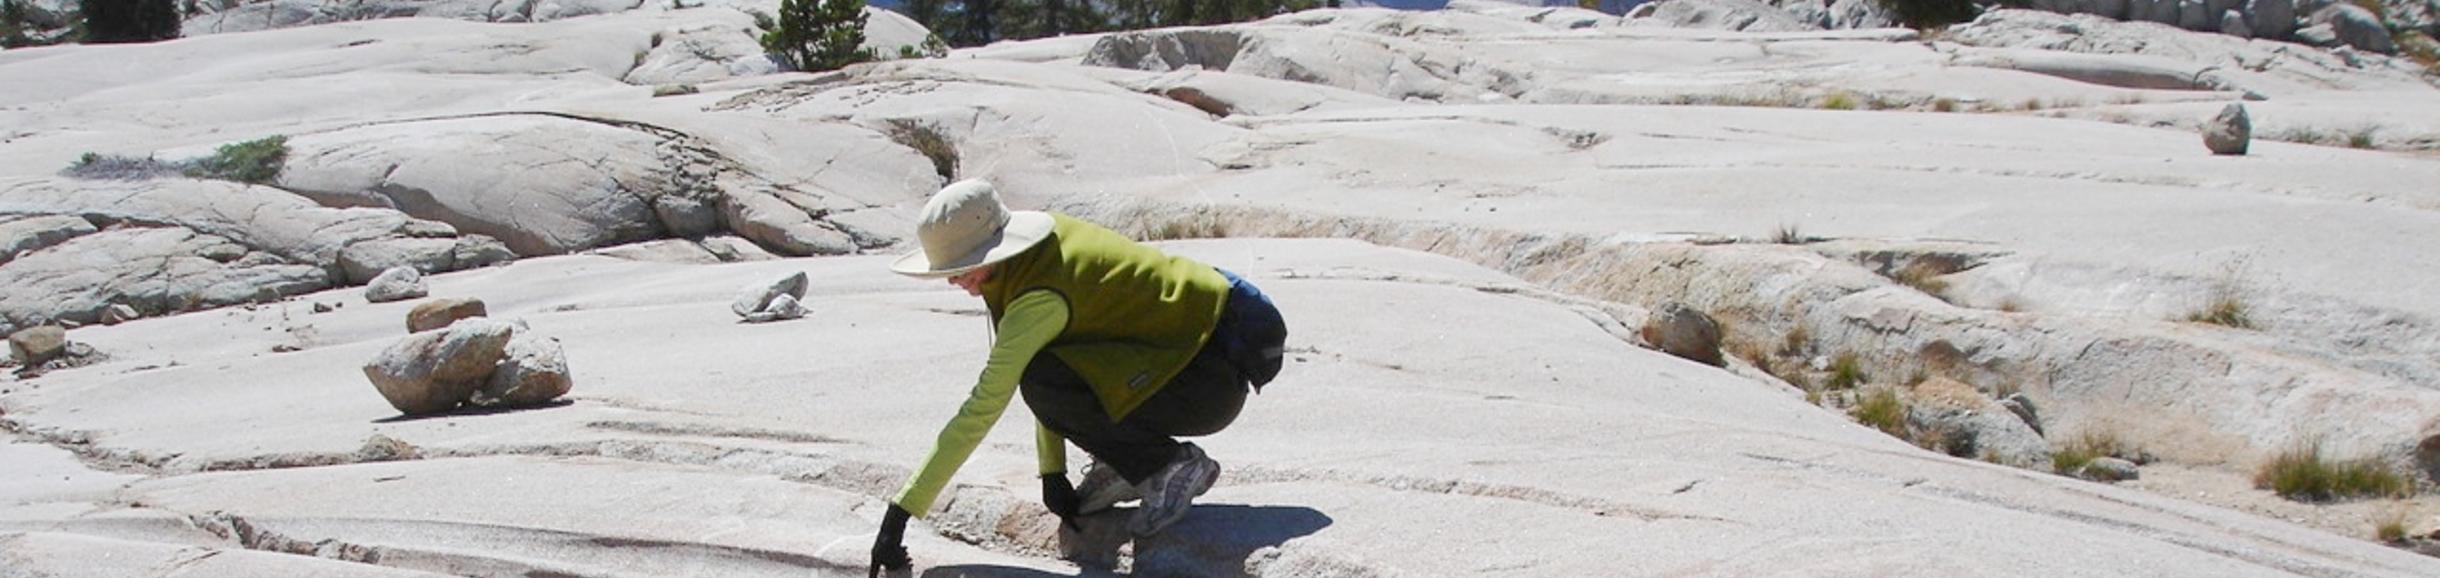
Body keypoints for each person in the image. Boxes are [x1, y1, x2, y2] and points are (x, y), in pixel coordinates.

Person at [867, 180, 1287, 575]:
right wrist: (1052, 471)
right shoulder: (1037, 250)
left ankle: (1171, 467)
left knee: (1040, 380)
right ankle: (1130, 463)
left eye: (961, 269)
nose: (955, 281)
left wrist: (900, 514)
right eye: (949, 272)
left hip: (1206, 384)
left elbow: (985, 406)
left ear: (992, 251)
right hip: (1188, 367)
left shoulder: (1038, 294)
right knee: (1047, 373)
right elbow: (1058, 357)